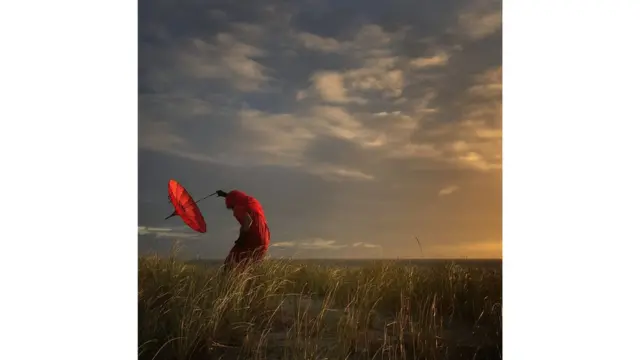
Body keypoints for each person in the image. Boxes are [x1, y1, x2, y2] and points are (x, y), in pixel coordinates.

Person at [214, 190, 270, 270]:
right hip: (265, 238)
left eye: (231, 207)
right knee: (251, 266)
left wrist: (241, 239)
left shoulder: (238, 208)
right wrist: (225, 195)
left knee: (230, 262)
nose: (232, 210)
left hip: (253, 239)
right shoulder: (251, 202)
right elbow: (236, 197)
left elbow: (248, 221)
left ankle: (229, 281)